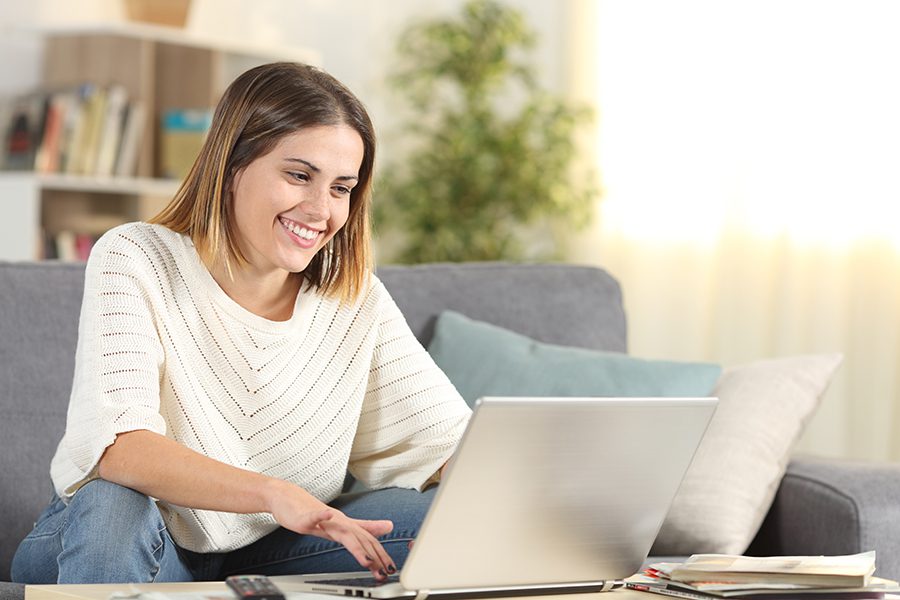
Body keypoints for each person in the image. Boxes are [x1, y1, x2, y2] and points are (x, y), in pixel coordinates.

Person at [11, 62, 471, 585]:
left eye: (342, 188)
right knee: (114, 505)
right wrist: (274, 494)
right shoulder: (135, 256)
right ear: (232, 166)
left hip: (265, 552)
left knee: (442, 524)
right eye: (299, 175)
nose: (321, 209)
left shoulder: (352, 297)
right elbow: (120, 449)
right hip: (119, 539)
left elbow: (449, 446)